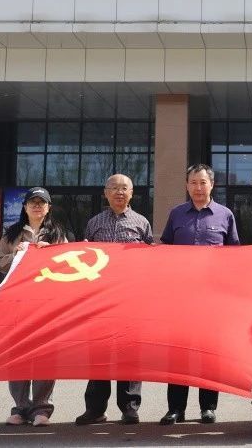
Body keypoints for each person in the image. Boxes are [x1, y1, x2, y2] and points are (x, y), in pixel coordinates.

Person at [159, 163, 241, 425]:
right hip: (180, 297)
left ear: (212, 184)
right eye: (193, 182)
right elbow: (164, 250)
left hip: (211, 298)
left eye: (203, 182)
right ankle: (176, 409)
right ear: (186, 185)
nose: (198, 187)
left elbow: (235, 255)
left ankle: (208, 407)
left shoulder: (225, 215)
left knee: (208, 352)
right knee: (178, 352)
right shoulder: (176, 214)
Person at [76, 174, 154, 427]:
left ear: (132, 193)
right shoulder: (94, 223)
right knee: (99, 352)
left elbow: (152, 260)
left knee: (129, 352)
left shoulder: (141, 223)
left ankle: (129, 407)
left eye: (124, 188)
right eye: (114, 188)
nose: (119, 192)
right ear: (105, 193)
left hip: (130, 299)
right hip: (99, 298)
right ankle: (95, 409)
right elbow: (85, 257)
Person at [0, 187, 71, 427]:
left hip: (47, 304)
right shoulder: (11, 234)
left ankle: (41, 408)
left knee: (45, 355)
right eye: (33, 202)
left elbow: (69, 266)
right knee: (17, 354)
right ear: (25, 207)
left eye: (42, 202)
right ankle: (20, 407)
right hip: (17, 303)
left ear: (49, 208)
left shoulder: (58, 234)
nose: (37, 206)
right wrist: (15, 255)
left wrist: (51, 255)